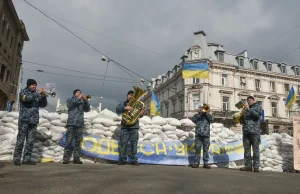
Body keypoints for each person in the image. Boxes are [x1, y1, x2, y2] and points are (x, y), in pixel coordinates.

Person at [13, 79, 47, 165]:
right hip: (24, 120)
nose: (34, 86)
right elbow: (27, 99)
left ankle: (26, 159)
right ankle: (17, 159)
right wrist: (38, 93)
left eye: (35, 85)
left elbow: (43, 105)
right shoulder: (23, 92)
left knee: (30, 141)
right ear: (28, 85)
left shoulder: (37, 94)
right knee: (21, 140)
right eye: (33, 85)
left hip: (33, 121)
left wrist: (43, 96)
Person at [116, 90, 144, 166]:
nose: (131, 96)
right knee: (123, 143)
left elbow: (140, 115)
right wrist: (125, 107)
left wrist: (141, 113)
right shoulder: (123, 103)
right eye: (130, 95)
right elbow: (117, 110)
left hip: (134, 126)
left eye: (133, 95)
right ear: (127, 96)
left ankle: (134, 160)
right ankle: (122, 159)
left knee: (134, 144)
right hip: (125, 126)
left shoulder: (138, 104)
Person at [63, 89, 90, 164]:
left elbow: (87, 109)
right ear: (74, 94)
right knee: (69, 141)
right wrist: (78, 98)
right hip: (71, 123)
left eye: (80, 92)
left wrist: (85, 100)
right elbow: (69, 105)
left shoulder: (82, 101)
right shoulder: (70, 99)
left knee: (78, 142)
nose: (80, 93)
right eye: (78, 92)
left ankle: (76, 158)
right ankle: (66, 158)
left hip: (80, 124)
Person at [240, 96, 262, 172]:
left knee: (255, 150)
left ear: (253, 100)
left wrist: (249, 109)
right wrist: (240, 118)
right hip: (246, 132)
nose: (249, 101)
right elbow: (244, 120)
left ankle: (256, 167)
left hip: (254, 132)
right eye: (248, 100)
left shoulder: (257, 106)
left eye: (250, 100)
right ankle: (248, 166)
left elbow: (257, 116)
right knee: (247, 150)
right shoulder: (246, 109)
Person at [191, 103, 213, 169]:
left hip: (206, 135)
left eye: (204, 108)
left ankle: (206, 163)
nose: (203, 109)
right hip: (198, 135)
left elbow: (212, 119)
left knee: (206, 149)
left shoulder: (208, 115)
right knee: (197, 149)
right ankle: (196, 163)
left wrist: (205, 112)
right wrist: (200, 114)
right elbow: (193, 120)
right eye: (202, 108)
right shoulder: (197, 115)